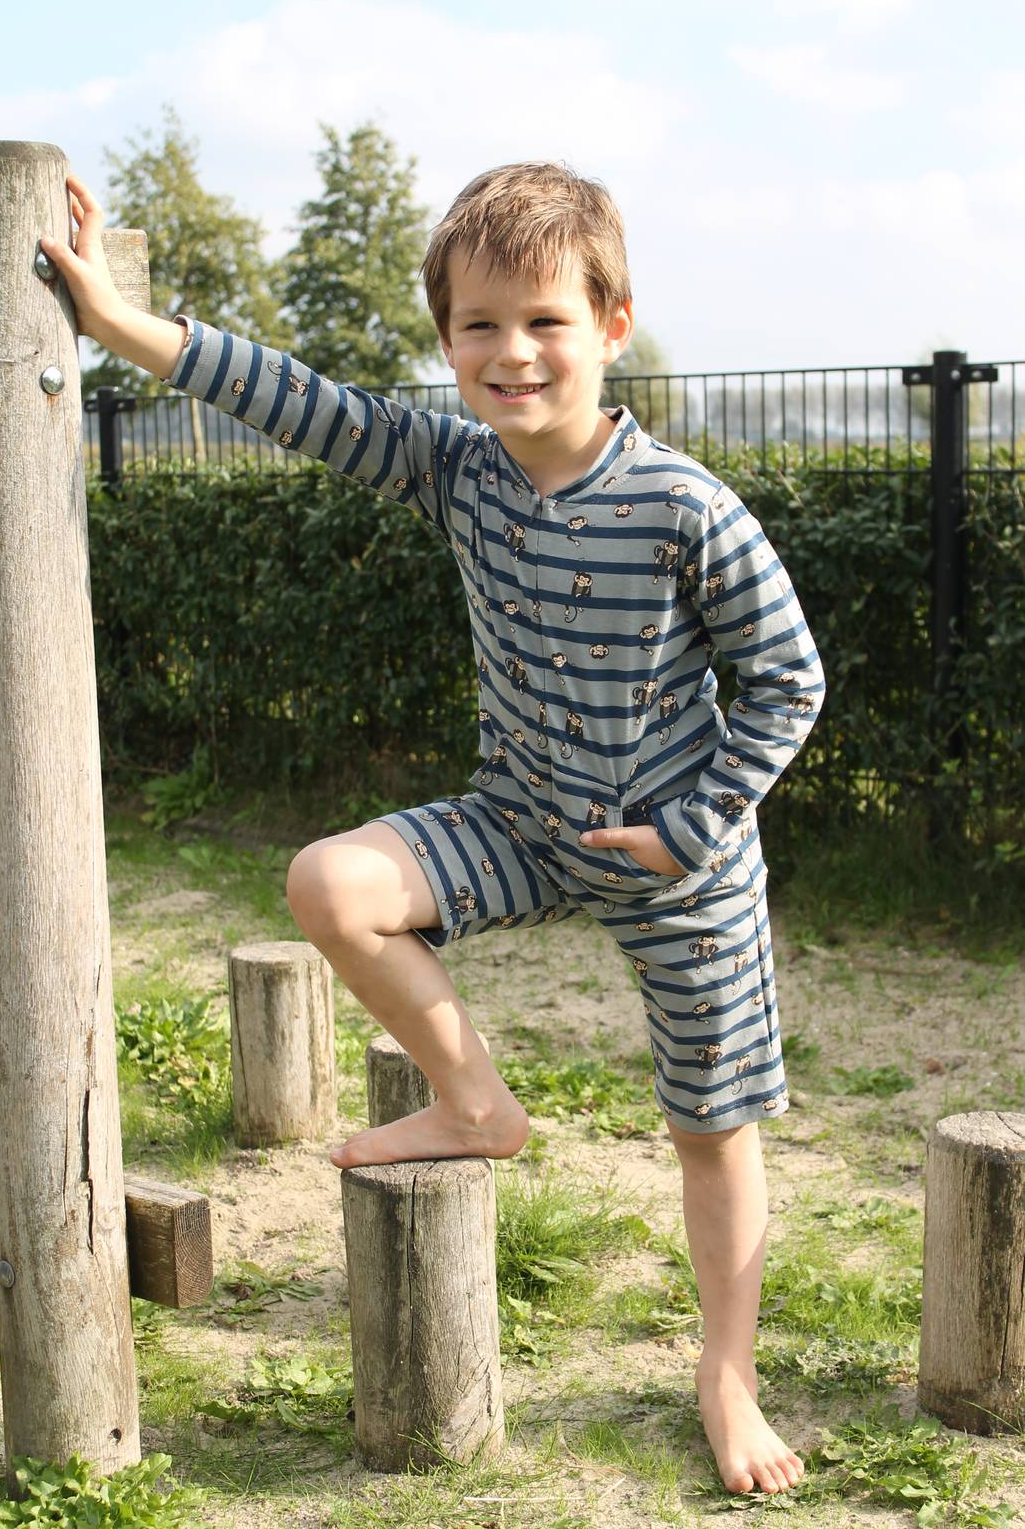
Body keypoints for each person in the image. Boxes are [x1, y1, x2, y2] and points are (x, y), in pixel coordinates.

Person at [40, 161, 824, 1496]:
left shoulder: (687, 507)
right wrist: (121, 325)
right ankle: (474, 1102)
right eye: (479, 325)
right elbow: (297, 397)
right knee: (329, 884)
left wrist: (691, 828)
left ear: (613, 325)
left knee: (715, 1127)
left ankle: (728, 1373)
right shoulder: (456, 468)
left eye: (546, 320)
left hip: (678, 866)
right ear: (448, 340)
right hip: (517, 822)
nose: (512, 352)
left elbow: (789, 682)